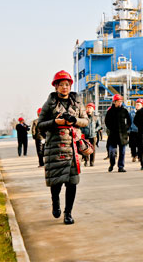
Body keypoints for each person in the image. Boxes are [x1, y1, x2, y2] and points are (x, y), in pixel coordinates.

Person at [37, 70, 89, 225]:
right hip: (55, 148)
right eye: (61, 85)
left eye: (67, 84)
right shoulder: (50, 103)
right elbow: (40, 124)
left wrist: (75, 121)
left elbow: (86, 121)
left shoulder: (77, 102)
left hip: (72, 148)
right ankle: (55, 202)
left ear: (70, 86)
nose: (64, 87)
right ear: (56, 87)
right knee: (56, 182)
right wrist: (55, 122)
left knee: (72, 183)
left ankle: (68, 213)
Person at [105, 94, 131, 172]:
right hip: (113, 135)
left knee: (122, 152)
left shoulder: (124, 111)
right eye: (118, 101)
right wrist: (111, 129)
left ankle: (121, 166)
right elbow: (106, 122)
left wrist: (126, 128)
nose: (120, 103)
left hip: (122, 134)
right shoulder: (110, 111)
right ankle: (112, 163)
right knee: (112, 152)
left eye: (121, 101)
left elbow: (129, 121)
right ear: (114, 102)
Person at [81, 103, 100, 167]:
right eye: (87, 108)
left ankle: (92, 162)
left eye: (90, 108)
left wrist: (95, 130)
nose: (89, 109)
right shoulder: (84, 117)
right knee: (86, 149)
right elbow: (81, 124)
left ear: (93, 109)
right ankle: (86, 160)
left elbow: (99, 125)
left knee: (93, 149)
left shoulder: (95, 117)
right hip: (85, 135)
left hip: (93, 135)